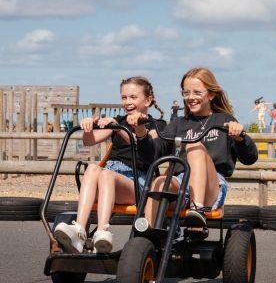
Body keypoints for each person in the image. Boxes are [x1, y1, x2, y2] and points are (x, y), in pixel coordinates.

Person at [127, 67, 258, 227]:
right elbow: (152, 155)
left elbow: (250, 158)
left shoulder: (224, 120)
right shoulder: (178, 123)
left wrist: (240, 137)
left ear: (211, 94)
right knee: (159, 182)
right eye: (186, 93)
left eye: (197, 92)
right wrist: (140, 132)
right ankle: (146, 234)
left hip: (212, 185)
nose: (191, 98)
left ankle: (197, 210)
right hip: (181, 183)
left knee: (194, 146)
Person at [54, 76, 166, 253]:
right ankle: (79, 230)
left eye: (133, 97)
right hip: (109, 177)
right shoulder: (119, 121)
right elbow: (90, 141)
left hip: (137, 182)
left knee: (106, 174)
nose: (127, 102)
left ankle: (102, 231)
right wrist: (88, 127)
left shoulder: (155, 125)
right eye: (124, 97)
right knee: (92, 168)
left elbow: (146, 148)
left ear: (148, 100)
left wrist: (117, 128)